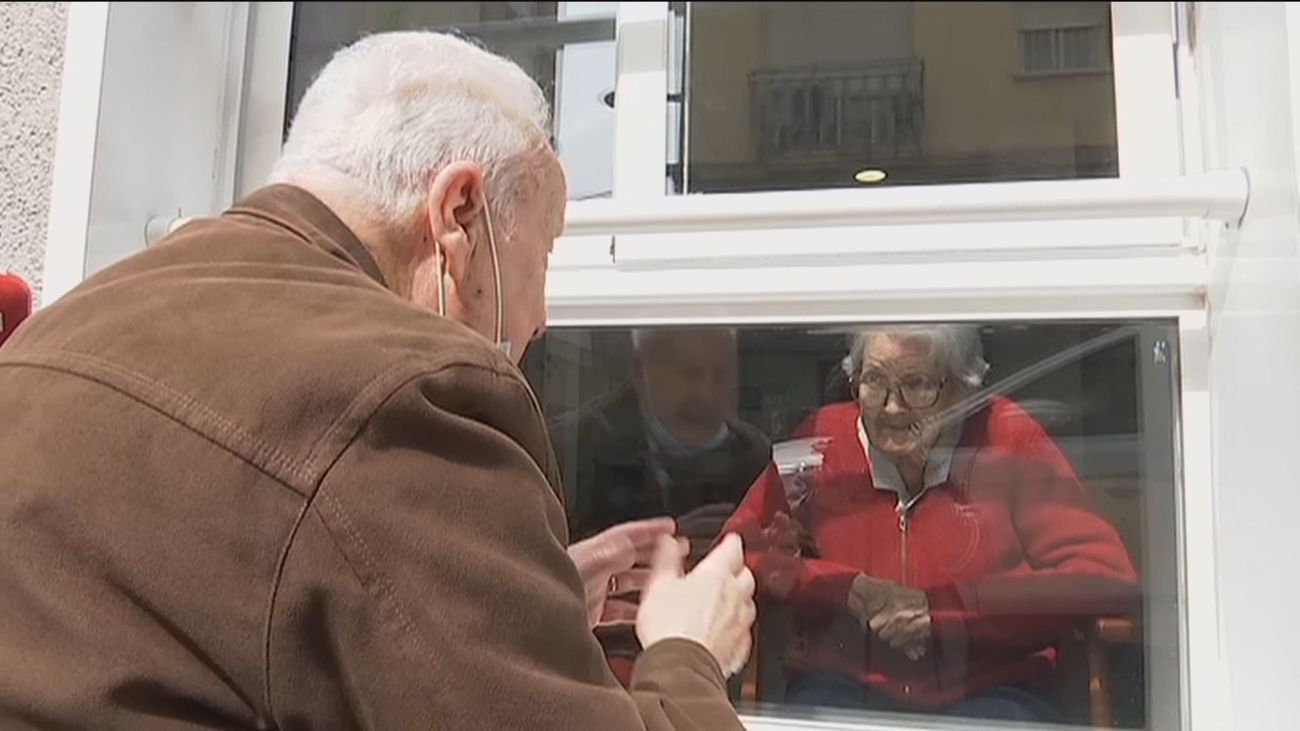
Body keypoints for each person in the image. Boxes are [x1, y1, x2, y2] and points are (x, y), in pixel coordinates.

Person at [0, 32, 755, 730]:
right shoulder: (408, 392)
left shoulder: (64, 326)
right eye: (544, 255)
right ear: (459, 214)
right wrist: (689, 649)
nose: (544, 316)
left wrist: (519, 603)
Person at [722, 324, 1139, 722]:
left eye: (917, 385)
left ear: (963, 387)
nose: (891, 406)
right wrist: (841, 587)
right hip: (846, 684)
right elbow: (737, 552)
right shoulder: (820, 439)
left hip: (994, 687)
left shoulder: (1009, 438)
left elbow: (1104, 577)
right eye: (874, 381)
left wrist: (948, 611)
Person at [549, 327, 772, 684]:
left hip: (715, 671)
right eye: (689, 372)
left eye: (721, 374)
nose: (705, 391)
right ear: (640, 370)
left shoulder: (753, 455)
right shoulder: (569, 449)